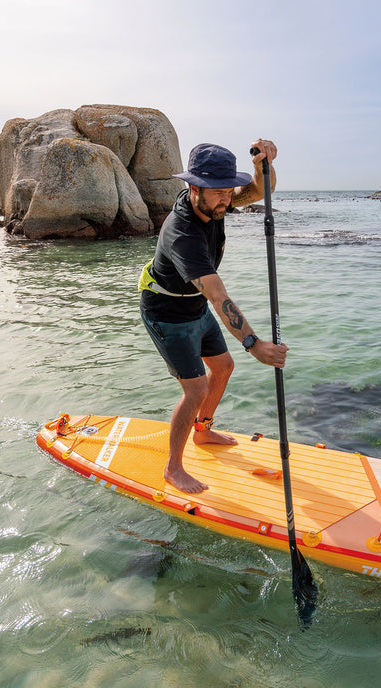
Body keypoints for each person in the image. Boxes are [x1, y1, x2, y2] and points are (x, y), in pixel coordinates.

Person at [139, 139, 287, 494]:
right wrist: (254, 344)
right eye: (217, 192)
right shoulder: (183, 233)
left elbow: (257, 191)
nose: (226, 199)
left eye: (227, 190)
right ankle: (173, 468)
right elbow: (218, 295)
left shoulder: (213, 202)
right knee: (195, 390)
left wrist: (262, 166)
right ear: (194, 188)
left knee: (222, 368)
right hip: (166, 312)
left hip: (194, 305)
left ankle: (203, 432)